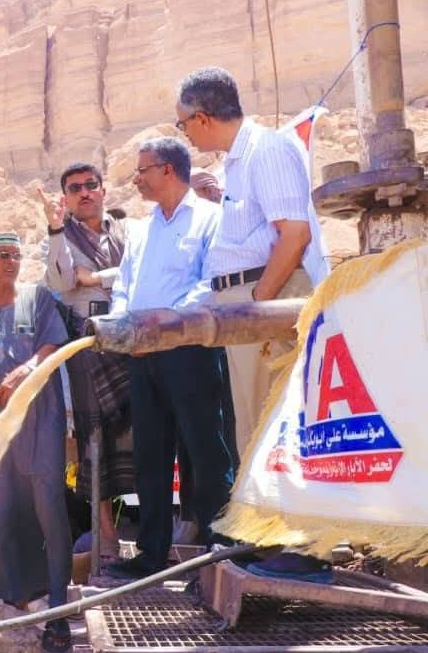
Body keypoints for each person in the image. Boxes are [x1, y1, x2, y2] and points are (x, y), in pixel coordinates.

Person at [176, 66, 332, 582]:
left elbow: (294, 236)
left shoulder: (268, 150)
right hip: (245, 303)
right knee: (254, 427)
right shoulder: (238, 163)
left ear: (202, 117)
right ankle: (271, 540)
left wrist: (258, 305)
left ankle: (304, 548)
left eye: (183, 124)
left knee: (281, 423)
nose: (185, 134)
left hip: (266, 299)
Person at [104, 138, 235, 580]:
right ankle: (151, 553)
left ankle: (219, 550)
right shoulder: (141, 231)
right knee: (151, 456)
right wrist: (124, 323)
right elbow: (124, 286)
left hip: (190, 351)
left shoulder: (211, 218)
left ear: (168, 170)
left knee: (206, 451)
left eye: (142, 170)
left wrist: (170, 323)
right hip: (143, 354)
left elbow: (212, 282)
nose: (136, 179)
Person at [0, 231, 74, 650]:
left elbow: (52, 345)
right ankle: (2, 603)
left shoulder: (37, 299)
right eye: (3, 255)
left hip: (38, 423)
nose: (11, 262)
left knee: (48, 508)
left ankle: (56, 608)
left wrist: (25, 370)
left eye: (16, 255)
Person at [34, 163, 133, 564]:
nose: (84, 192)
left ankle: (153, 532)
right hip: (88, 342)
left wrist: (94, 278)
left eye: (91, 185)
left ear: (103, 190)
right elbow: (62, 282)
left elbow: (138, 271)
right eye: (74, 188)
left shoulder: (127, 231)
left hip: (134, 337)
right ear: (66, 198)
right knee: (95, 439)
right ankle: (106, 537)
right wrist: (56, 229)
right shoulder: (55, 239)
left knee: (148, 431)